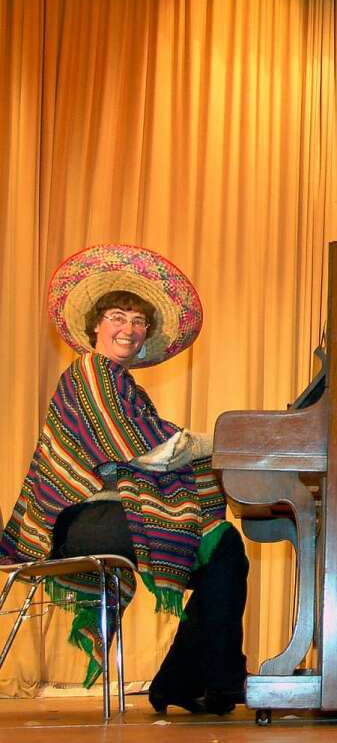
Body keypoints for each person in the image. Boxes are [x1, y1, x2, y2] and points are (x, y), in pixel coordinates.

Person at [0, 244, 247, 715]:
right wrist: (219, 441)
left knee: (224, 553)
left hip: (109, 515)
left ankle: (189, 681)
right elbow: (146, 448)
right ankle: (206, 680)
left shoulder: (126, 386)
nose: (128, 330)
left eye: (138, 323)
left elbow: (149, 449)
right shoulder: (91, 372)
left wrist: (198, 448)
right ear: (96, 325)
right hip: (76, 522)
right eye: (118, 317)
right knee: (224, 548)